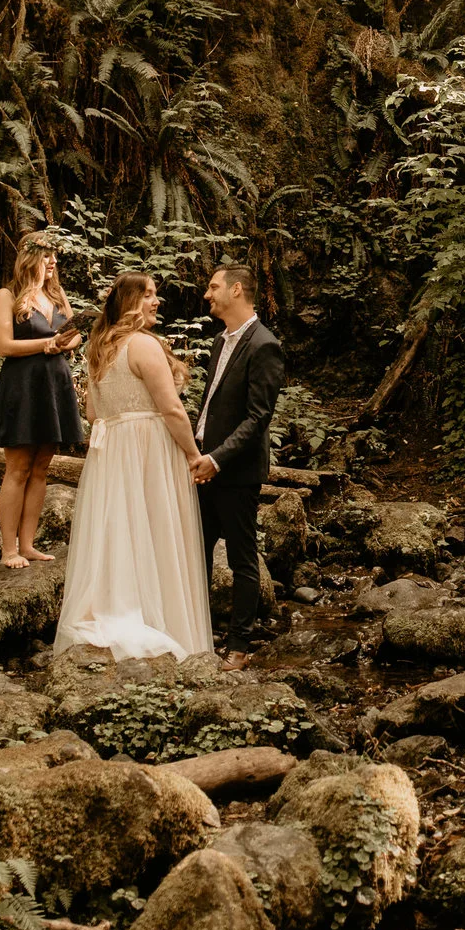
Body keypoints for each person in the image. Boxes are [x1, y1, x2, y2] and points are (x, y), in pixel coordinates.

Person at [55, 272, 215, 660]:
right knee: (157, 529)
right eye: (148, 295)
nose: (156, 301)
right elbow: (172, 408)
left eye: (155, 294)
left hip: (112, 453)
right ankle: (165, 626)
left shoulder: (100, 347)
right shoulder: (143, 344)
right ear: (129, 302)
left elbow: (93, 414)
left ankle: (123, 605)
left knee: (121, 532)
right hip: (149, 450)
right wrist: (192, 454)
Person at [196, 264, 284, 653]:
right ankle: (197, 634)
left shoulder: (264, 345)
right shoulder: (221, 341)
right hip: (203, 465)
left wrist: (217, 459)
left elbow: (257, 418)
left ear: (236, 290)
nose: (207, 294)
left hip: (235, 471)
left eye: (213, 287)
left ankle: (239, 645)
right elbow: (211, 408)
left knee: (241, 560)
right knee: (195, 552)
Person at [0, 231, 86, 570]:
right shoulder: (7, 296)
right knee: (18, 468)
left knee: (41, 468)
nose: (53, 262)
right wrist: (46, 345)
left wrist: (66, 342)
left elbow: (75, 335)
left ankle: (28, 545)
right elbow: (4, 346)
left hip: (54, 385)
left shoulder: (57, 294)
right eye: (47, 256)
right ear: (29, 258)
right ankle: (8, 549)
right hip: (23, 386)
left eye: (54, 256)